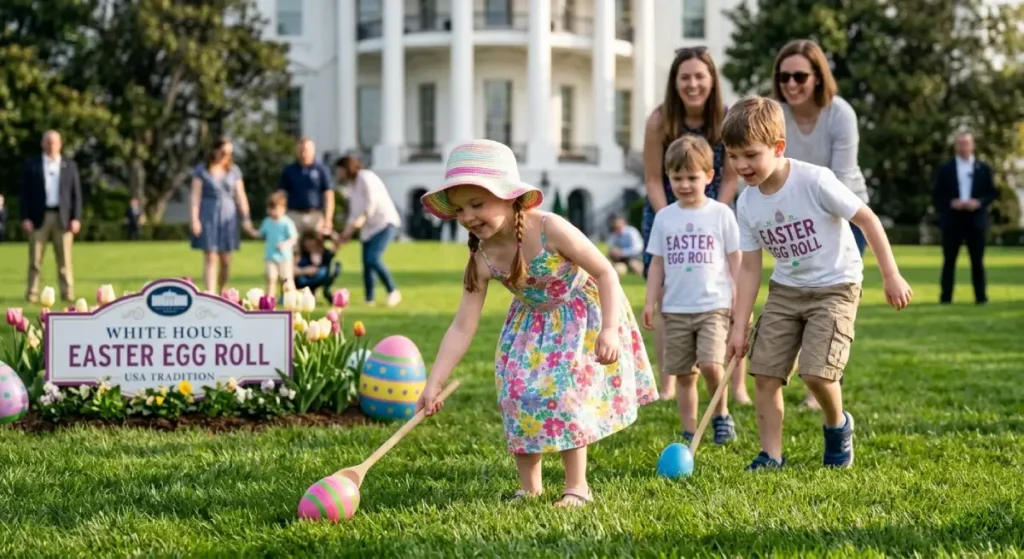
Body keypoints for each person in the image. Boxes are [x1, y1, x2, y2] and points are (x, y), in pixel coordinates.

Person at [415, 139, 659, 507]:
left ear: (509, 197)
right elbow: (463, 325)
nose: (468, 216)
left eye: (477, 204)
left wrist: (609, 329)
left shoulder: (550, 228)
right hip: (530, 325)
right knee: (516, 392)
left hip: (580, 315)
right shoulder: (482, 258)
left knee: (564, 392)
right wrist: (434, 381)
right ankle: (530, 487)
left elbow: (606, 272)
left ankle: (577, 487)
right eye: (460, 208)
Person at [722, 96, 913, 470]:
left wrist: (891, 275)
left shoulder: (815, 180)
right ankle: (771, 454)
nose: (741, 165)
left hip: (836, 286)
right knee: (765, 373)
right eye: (732, 156)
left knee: (817, 373)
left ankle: (837, 425)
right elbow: (749, 268)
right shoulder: (746, 204)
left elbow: (867, 219)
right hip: (786, 290)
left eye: (750, 155)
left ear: (778, 147)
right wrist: (740, 325)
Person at [772, 38, 871, 409]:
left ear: (818, 77)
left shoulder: (840, 114)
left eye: (800, 76)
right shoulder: (776, 115)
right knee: (798, 298)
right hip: (796, 219)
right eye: (784, 77)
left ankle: (826, 384)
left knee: (830, 302)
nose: (791, 84)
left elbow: (841, 180)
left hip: (846, 214)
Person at [641, 46, 742, 403]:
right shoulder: (659, 121)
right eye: (685, 77)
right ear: (675, 82)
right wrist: (671, 215)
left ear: (712, 80)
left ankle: (736, 385)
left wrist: (712, 214)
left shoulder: (727, 119)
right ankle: (669, 382)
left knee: (727, 296)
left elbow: (731, 177)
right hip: (667, 211)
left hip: (716, 211)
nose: (693, 84)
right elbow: (653, 178)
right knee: (668, 298)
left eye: (700, 76)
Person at [642, 135, 741, 445]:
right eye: (677, 178)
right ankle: (689, 430)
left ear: (709, 176)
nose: (684, 184)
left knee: (711, 365)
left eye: (692, 177)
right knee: (684, 375)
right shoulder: (664, 218)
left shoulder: (721, 214)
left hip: (714, 306)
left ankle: (721, 417)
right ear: (668, 178)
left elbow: (736, 260)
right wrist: (650, 302)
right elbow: (656, 264)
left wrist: (740, 298)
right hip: (676, 309)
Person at [932, 131, 997, 305]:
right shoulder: (946, 169)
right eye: (960, 143)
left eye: (966, 143)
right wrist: (951, 203)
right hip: (953, 220)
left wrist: (979, 202)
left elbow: (992, 193)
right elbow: (937, 194)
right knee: (949, 261)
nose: (963, 147)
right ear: (956, 146)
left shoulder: (984, 169)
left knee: (977, 261)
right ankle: (945, 297)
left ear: (973, 145)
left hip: (976, 221)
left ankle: (981, 297)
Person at [20, 130, 82, 303]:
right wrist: (25, 217)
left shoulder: (69, 166)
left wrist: (76, 218)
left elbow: (76, 195)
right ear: (42, 144)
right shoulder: (32, 165)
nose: (51, 145)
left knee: (65, 260)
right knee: (35, 260)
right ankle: (32, 294)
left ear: (60, 144)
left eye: (54, 142)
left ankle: (67, 293)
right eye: (47, 142)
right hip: (38, 218)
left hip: (63, 218)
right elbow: (24, 194)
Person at [334, 155, 403, 307]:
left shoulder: (365, 177)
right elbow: (353, 215)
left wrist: (362, 218)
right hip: (368, 228)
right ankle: (369, 299)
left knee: (373, 259)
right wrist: (345, 234)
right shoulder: (352, 187)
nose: (338, 174)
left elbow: (372, 201)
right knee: (367, 265)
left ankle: (393, 291)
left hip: (384, 223)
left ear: (346, 168)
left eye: (339, 171)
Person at [189, 136, 255, 295]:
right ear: (215, 150)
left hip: (228, 216)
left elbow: (241, 196)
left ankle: (222, 289)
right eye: (224, 152)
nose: (226, 156)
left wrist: (246, 218)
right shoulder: (202, 171)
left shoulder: (234, 171)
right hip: (208, 215)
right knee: (210, 256)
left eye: (229, 153)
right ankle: (210, 293)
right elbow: (195, 196)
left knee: (226, 259)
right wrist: (194, 219)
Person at [277, 137, 336, 236]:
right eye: (300, 150)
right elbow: (281, 194)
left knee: (316, 244)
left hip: (315, 215)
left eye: (306, 150)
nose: (303, 154)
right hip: (294, 214)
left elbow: (328, 195)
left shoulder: (321, 169)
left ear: (313, 151)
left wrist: (328, 218)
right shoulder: (289, 170)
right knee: (293, 243)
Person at [253, 192, 298, 298]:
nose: (274, 212)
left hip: (285, 257)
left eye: (276, 209)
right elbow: (260, 234)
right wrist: (249, 230)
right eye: (271, 209)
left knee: (286, 279)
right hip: (270, 256)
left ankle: (291, 299)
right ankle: (270, 299)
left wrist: (286, 244)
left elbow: (294, 238)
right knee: (271, 277)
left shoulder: (286, 222)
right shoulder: (267, 222)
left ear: (283, 209)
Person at [294, 230, 342, 304]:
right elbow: (291, 270)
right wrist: (304, 271)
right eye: (307, 241)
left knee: (335, 267)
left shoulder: (325, 253)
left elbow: (337, 244)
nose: (309, 244)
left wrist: (330, 233)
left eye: (311, 240)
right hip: (304, 280)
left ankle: (326, 291)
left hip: (320, 278)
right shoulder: (301, 255)